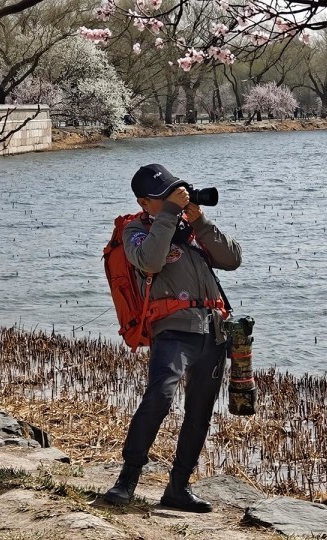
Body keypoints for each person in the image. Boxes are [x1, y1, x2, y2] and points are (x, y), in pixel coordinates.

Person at [104, 163, 242, 513]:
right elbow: (149, 262)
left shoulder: (191, 229)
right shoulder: (136, 230)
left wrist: (199, 222)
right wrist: (167, 215)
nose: (173, 199)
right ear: (144, 202)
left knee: (200, 412)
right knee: (159, 398)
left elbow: (232, 259)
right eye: (163, 196)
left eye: (175, 192)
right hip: (172, 332)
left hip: (213, 331)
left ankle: (178, 488)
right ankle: (127, 479)